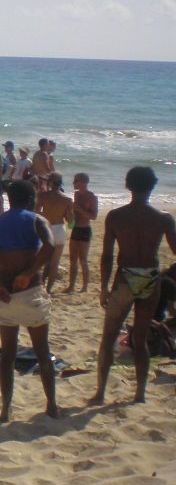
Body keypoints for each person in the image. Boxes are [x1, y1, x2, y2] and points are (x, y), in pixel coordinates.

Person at [0, 180, 58, 421]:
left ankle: (6, 408)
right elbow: (50, 246)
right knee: (42, 351)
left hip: (5, 294)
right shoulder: (35, 220)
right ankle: (51, 405)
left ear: (8, 199)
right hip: (31, 292)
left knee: (8, 354)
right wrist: (29, 272)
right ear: (31, 200)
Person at [91, 167, 176, 406]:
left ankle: (100, 393)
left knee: (109, 338)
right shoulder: (163, 219)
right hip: (150, 276)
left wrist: (104, 287)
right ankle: (139, 394)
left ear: (128, 186)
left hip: (126, 276)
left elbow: (107, 256)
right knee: (140, 338)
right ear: (152, 187)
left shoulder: (116, 216)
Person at [35, 172, 74, 293]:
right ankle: (49, 289)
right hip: (60, 229)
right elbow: (71, 221)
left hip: (46, 228)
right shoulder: (67, 200)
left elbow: (36, 213)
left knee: (42, 260)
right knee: (55, 263)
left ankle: (39, 285)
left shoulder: (43, 196)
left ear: (50, 182)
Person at [62, 173, 98, 294]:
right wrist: (70, 215)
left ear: (83, 182)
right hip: (76, 228)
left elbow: (93, 216)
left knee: (83, 259)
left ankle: (84, 287)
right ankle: (71, 286)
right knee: (73, 259)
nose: (73, 183)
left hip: (85, 230)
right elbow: (75, 212)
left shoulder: (92, 197)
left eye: (75, 181)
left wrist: (78, 209)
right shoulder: (77, 194)